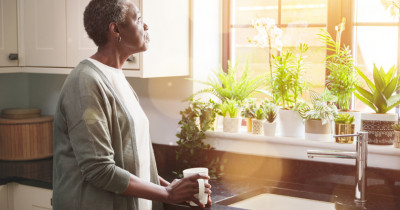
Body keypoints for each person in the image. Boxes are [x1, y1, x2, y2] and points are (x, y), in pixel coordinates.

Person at [52, 0, 212, 209]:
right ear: (116, 29)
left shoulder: (118, 79)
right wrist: (167, 193)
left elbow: (133, 161)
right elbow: (99, 169)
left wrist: (172, 188)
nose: (146, 26)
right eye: (138, 19)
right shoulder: (85, 81)